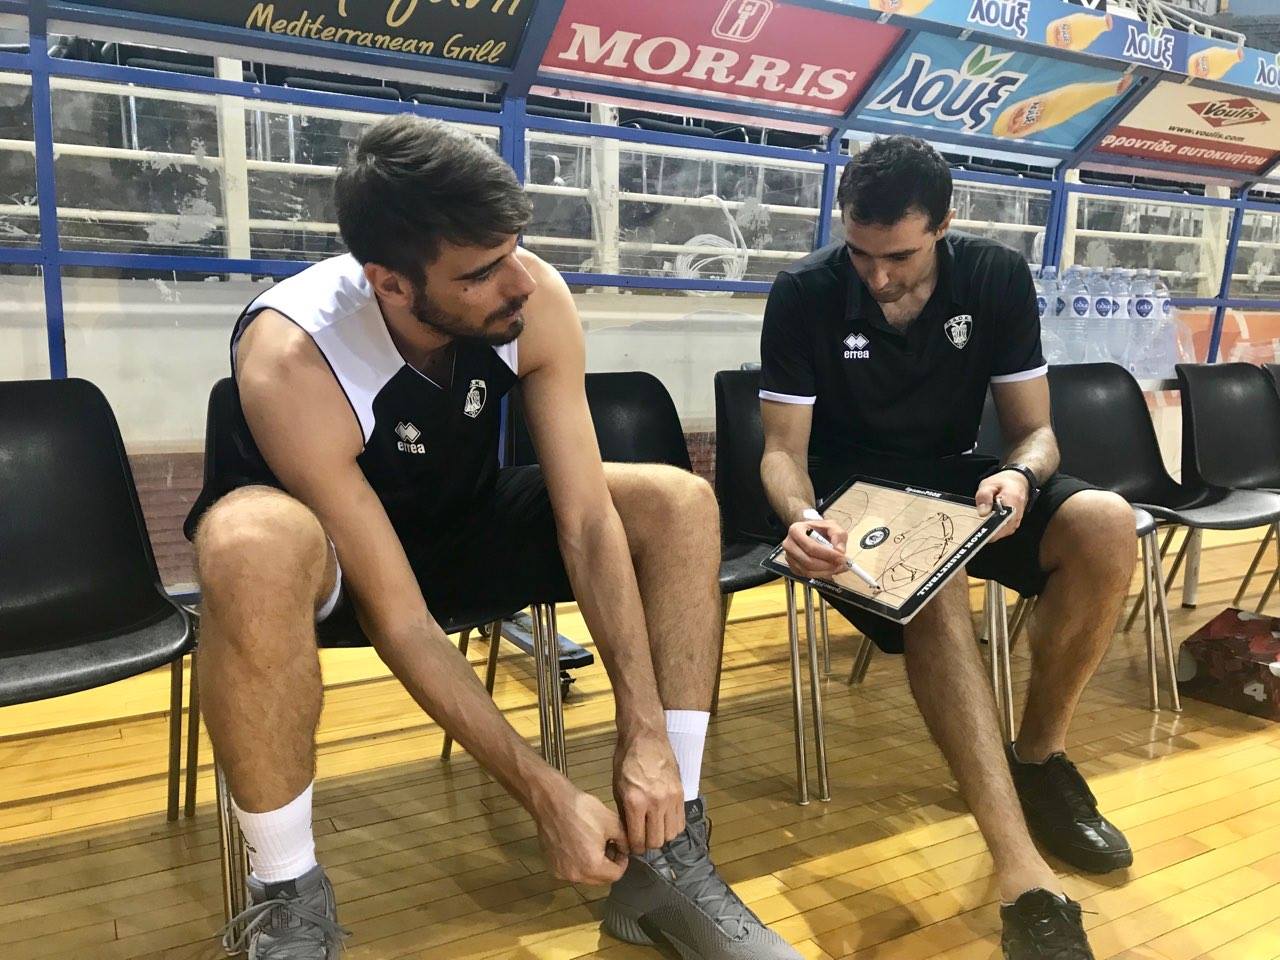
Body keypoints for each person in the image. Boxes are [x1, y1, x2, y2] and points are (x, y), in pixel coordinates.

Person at [186, 114, 799, 960]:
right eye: (480, 272)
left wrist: (645, 729)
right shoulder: (293, 353)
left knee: (677, 502)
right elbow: (402, 618)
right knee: (248, 541)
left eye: (515, 249)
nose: (519, 282)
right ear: (391, 285)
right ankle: (287, 899)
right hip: (335, 565)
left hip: (462, 519)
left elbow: (588, 520)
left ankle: (669, 849)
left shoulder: (531, 293)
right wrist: (544, 792)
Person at [758, 135, 1138, 960]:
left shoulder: (995, 277)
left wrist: (1020, 478)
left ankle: (1038, 760)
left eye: (897, 256)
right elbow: (781, 452)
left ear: (944, 224)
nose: (876, 276)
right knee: (934, 579)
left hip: (959, 478)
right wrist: (800, 514)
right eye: (860, 253)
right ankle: (1022, 875)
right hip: (853, 499)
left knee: (1105, 522)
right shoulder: (803, 293)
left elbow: (1036, 432)